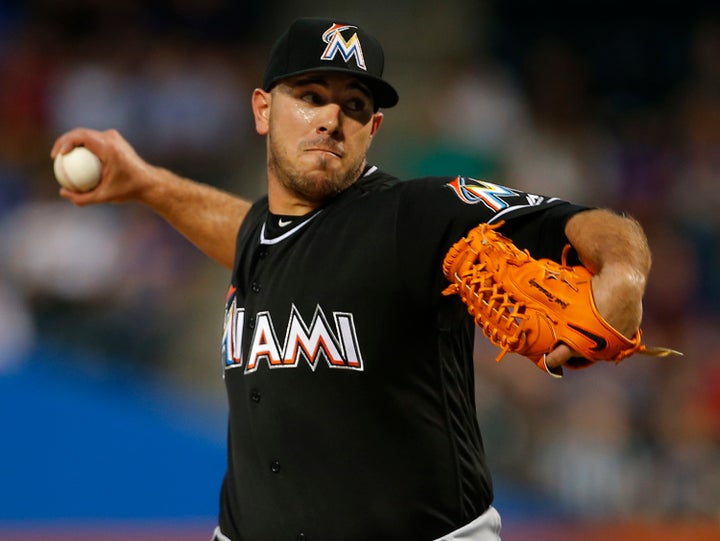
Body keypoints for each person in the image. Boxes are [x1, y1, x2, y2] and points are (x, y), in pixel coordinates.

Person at [52, 17, 652, 541]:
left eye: (355, 106)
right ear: (264, 110)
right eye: (310, 95)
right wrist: (149, 185)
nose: (331, 119)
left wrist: (624, 269)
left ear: (374, 130)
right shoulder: (265, 237)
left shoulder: (415, 215)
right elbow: (245, 232)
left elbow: (579, 222)